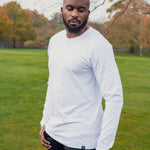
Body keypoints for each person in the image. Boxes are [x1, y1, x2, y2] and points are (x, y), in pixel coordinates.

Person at [39, 0, 123, 150]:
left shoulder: (99, 46)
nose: (75, 14)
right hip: (53, 134)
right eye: (70, 9)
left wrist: (103, 146)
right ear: (62, 10)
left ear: (88, 13)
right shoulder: (55, 41)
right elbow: (53, 84)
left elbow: (114, 97)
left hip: (81, 139)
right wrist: (45, 121)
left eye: (81, 10)